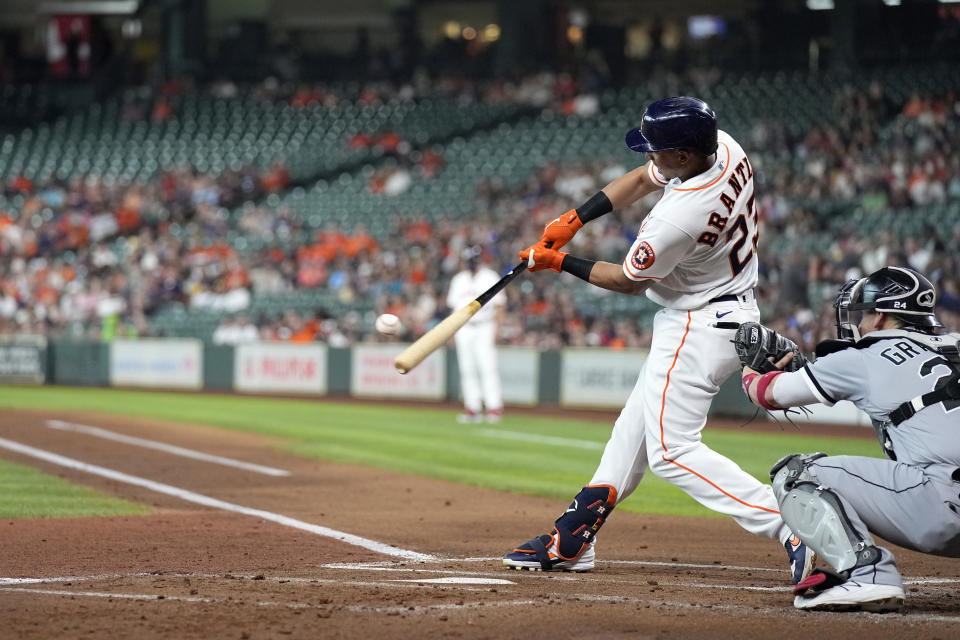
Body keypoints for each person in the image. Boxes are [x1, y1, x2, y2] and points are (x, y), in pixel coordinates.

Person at [502, 96, 815, 584]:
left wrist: (558, 261)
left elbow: (629, 281)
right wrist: (575, 219)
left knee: (671, 451)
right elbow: (645, 177)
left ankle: (796, 523)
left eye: (658, 149)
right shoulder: (725, 148)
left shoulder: (679, 218)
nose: (650, 156)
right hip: (723, 306)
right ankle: (576, 535)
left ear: (685, 156)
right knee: (635, 429)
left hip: (696, 324)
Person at [739, 266, 960, 612]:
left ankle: (869, 574)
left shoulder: (865, 357)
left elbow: (769, 393)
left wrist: (750, 370)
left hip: (943, 509)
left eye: (864, 314)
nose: (858, 322)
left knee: (797, 474)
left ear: (883, 317)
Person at [446, 246, 506, 423]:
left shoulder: (490, 276)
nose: (472, 262)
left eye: (475, 259)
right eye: (469, 259)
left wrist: (498, 328)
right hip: (463, 327)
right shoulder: (459, 279)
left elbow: (500, 304)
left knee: (488, 366)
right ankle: (473, 408)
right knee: (467, 368)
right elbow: (452, 308)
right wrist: (451, 332)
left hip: (485, 325)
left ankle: (494, 407)